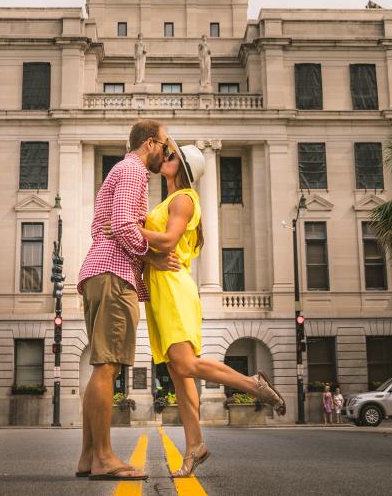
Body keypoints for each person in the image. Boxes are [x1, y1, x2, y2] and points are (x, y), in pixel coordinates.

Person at [111, 140, 286, 477]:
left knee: (185, 364)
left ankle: (254, 385)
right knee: (179, 375)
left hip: (174, 289)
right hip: (161, 291)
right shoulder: (170, 199)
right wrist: (143, 246)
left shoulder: (183, 200)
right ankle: (195, 447)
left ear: (183, 169)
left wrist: (125, 231)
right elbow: (156, 249)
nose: (166, 156)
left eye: (172, 155)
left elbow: (167, 241)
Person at [74, 119, 171, 482]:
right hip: (114, 274)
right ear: (150, 144)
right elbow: (122, 224)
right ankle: (103, 457)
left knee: (101, 363)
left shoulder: (120, 170)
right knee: (107, 365)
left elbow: (107, 225)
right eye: (165, 146)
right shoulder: (133, 172)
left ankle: (88, 457)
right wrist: (153, 255)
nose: (167, 154)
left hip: (99, 270)